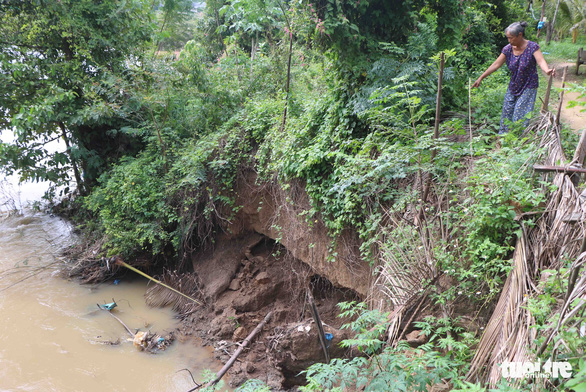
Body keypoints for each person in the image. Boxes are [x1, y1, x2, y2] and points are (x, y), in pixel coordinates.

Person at [472, 21, 555, 133]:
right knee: (506, 112)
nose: (509, 41)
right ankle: (502, 139)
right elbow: (496, 64)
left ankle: (518, 141)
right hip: (513, 85)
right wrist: (481, 77)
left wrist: (547, 70)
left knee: (520, 115)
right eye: (508, 38)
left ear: (520, 35)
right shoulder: (508, 49)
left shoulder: (532, 47)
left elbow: (540, 61)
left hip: (529, 85)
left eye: (511, 38)